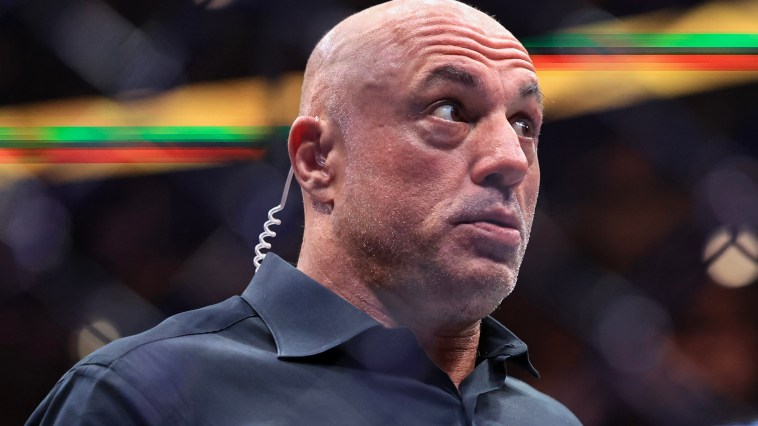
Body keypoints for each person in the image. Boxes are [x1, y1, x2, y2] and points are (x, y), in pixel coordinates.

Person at [28, 0, 581, 424]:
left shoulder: (547, 421)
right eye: (449, 110)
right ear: (318, 160)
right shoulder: (147, 396)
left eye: (523, 123)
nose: (511, 159)